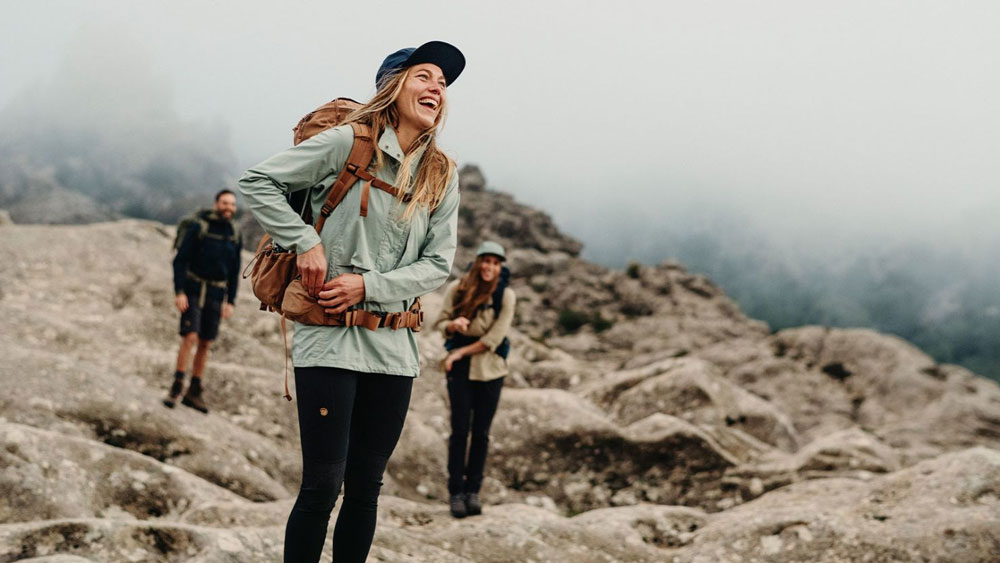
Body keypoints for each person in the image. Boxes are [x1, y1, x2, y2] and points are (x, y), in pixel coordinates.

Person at [238, 41, 464, 563]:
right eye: (424, 75)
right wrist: (305, 241)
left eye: (443, 83)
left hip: (394, 348)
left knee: (366, 490)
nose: (436, 88)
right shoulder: (347, 143)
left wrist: (369, 286)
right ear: (393, 86)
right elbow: (258, 181)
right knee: (322, 486)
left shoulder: (442, 173)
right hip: (329, 339)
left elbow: (437, 264)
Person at [436, 241, 516, 518]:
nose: (489, 267)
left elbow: (494, 338)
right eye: (486, 261)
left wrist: (459, 352)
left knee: (481, 434)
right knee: (459, 431)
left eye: (495, 263)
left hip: (490, 370)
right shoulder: (458, 288)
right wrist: (452, 325)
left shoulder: (505, 295)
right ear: (478, 261)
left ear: (500, 267)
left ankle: (473, 492)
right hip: (460, 371)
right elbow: (440, 322)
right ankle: (456, 492)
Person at [165, 189, 241, 413]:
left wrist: (231, 300)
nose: (228, 208)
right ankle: (177, 386)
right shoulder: (200, 227)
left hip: (217, 294)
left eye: (232, 204)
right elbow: (180, 261)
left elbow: (235, 271)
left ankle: (194, 391)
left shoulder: (234, 232)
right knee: (190, 336)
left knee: (206, 342)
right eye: (225, 203)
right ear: (216, 204)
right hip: (194, 289)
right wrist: (179, 292)